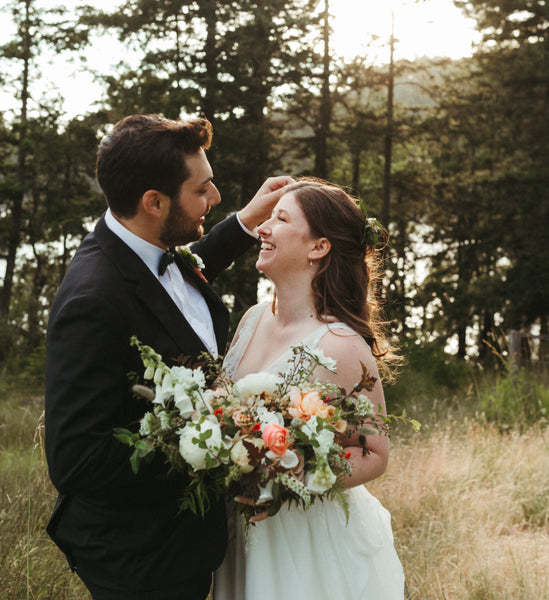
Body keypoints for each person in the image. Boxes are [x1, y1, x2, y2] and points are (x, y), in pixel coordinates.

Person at [43, 113, 293, 600]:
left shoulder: (148, 245)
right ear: (153, 202)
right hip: (138, 557)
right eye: (202, 190)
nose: (215, 199)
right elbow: (76, 460)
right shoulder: (92, 301)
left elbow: (177, 286)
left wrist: (246, 223)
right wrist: (217, 450)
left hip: (183, 545)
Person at [212, 179, 405, 600]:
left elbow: (375, 453)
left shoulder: (342, 345)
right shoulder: (252, 319)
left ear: (318, 247)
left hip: (303, 540)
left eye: (280, 219)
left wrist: (299, 477)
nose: (263, 228)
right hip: (240, 530)